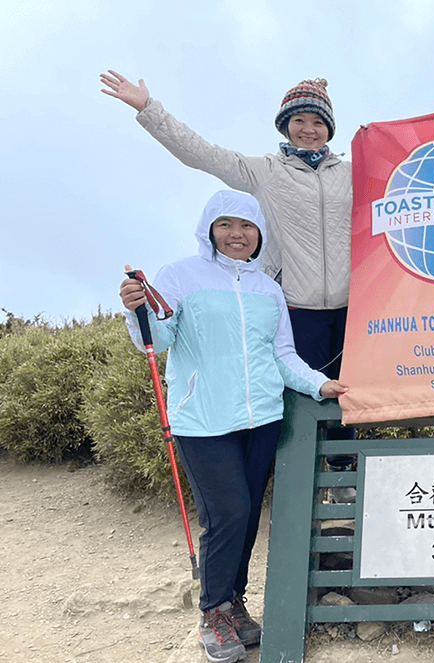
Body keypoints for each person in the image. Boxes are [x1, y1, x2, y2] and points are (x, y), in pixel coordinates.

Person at [119, 190, 348, 663]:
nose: (236, 235)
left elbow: (282, 356)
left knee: (244, 517)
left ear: (259, 234)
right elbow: (158, 339)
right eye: (225, 225)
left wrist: (321, 385)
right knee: (227, 514)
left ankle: (233, 604)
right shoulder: (181, 275)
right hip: (201, 419)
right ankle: (212, 613)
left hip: (261, 418)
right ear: (209, 228)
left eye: (246, 226)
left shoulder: (268, 289)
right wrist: (136, 308)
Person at [101, 72, 351, 380]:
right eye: (299, 120)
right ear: (285, 125)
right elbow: (203, 155)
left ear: (329, 128)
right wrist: (148, 108)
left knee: (346, 405)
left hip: (350, 313)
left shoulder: (352, 174)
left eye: (318, 122)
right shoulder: (266, 171)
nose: (308, 130)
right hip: (292, 310)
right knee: (300, 406)